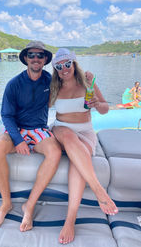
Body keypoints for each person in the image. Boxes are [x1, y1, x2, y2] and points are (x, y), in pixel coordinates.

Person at [0, 41, 62, 231]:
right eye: (32, 55)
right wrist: (18, 140)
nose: (36, 59)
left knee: (54, 152)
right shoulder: (14, 84)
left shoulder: (51, 81)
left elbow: (72, 85)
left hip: (38, 128)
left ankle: (29, 206)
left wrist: (87, 81)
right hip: (18, 127)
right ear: (25, 59)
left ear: (45, 59)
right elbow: (6, 115)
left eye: (40, 55)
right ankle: (6, 203)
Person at [49, 48, 118, 245]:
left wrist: (97, 104)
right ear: (55, 69)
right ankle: (99, 191)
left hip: (85, 132)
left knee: (77, 164)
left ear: (74, 63)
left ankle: (70, 221)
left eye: (67, 64)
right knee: (70, 138)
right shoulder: (54, 87)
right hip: (61, 130)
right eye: (59, 66)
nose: (64, 69)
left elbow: (105, 109)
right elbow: (39, 106)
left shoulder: (88, 83)